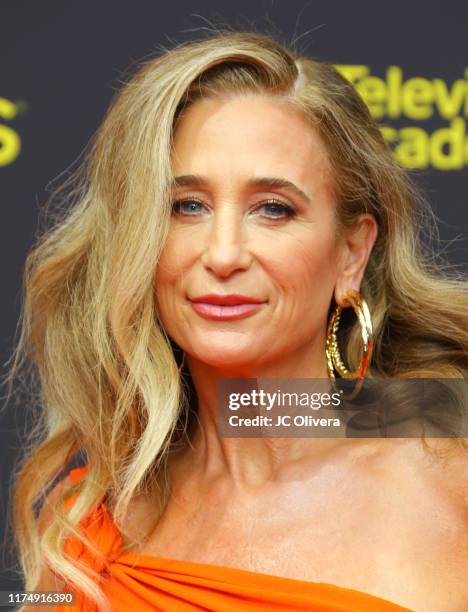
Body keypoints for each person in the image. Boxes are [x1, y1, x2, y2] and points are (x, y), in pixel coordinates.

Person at [6, 30, 468, 612]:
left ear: (352, 253)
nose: (223, 254)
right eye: (186, 206)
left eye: (273, 209)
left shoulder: (450, 475)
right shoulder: (86, 520)